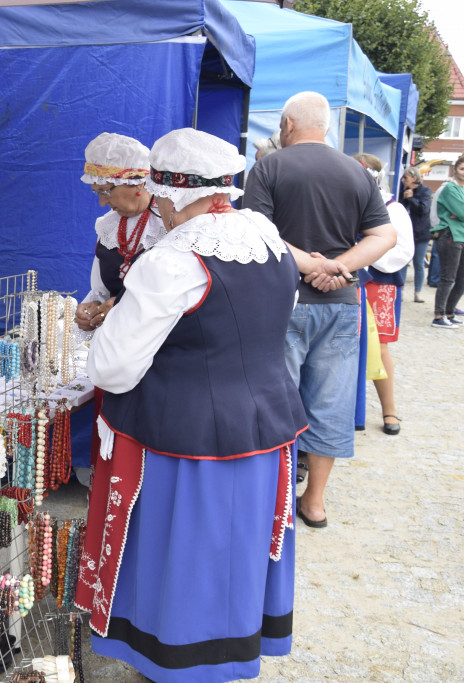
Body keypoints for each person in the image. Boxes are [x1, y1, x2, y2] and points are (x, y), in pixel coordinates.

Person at [76, 128, 307, 682]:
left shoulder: (173, 260)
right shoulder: (270, 241)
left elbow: (112, 366)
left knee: (187, 560)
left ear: (171, 194)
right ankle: (229, 655)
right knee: (238, 552)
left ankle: (178, 663)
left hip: (184, 438)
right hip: (263, 432)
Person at [244, 91, 395, 529]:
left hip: (282, 303)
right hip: (342, 304)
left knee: (277, 399)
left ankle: (276, 496)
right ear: (325, 126)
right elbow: (383, 237)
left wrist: (312, 266)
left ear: (288, 124)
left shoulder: (268, 167)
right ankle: (315, 502)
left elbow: (257, 232)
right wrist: (340, 266)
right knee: (330, 402)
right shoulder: (358, 172)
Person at [73, 132, 166, 331]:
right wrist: (93, 308)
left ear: (138, 182)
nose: (101, 202)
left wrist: (122, 305)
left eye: (105, 191)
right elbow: (101, 292)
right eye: (96, 192)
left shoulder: (168, 224)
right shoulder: (109, 227)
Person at [353, 153, 413, 435]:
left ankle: (389, 408)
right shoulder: (347, 201)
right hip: (350, 279)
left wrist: (367, 249)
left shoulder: (393, 208)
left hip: (379, 281)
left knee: (380, 346)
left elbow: (402, 250)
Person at [430, 155, 464, 328]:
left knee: (461, 279)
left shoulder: (462, 189)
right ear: (455, 169)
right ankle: (438, 315)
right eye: (462, 169)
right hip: (450, 236)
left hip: (461, 236)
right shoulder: (450, 188)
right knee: (448, 278)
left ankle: (450, 312)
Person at [399, 166, 432, 303]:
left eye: (405, 177)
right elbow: (399, 208)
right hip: (406, 233)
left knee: (418, 263)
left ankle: (417, 292)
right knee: (403, 262)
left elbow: (423, 210)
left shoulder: (425, 191)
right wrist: (405, 198)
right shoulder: (403, 190)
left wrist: (411, 199)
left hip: (421, 233)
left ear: (414, 178)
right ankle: (400, 291)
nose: (403, 180)